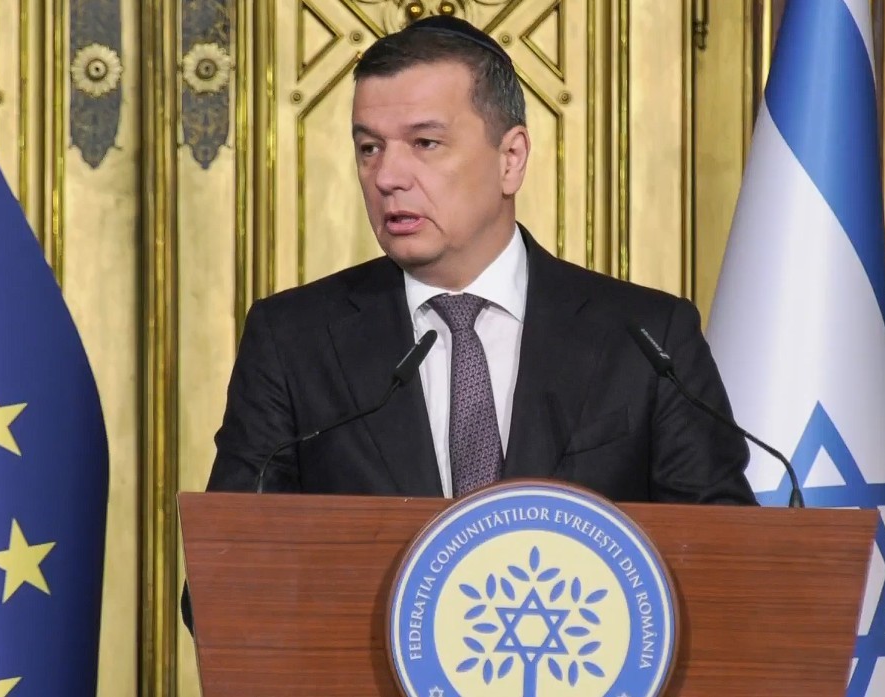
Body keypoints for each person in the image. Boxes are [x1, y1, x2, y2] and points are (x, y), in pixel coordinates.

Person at [183, 15, 756, 633]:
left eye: (425, 143)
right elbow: (222, 586)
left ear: (511, 158)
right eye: (369, 147)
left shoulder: (646, 337)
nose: (387, 177)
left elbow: (727, 569)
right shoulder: (293, 339)